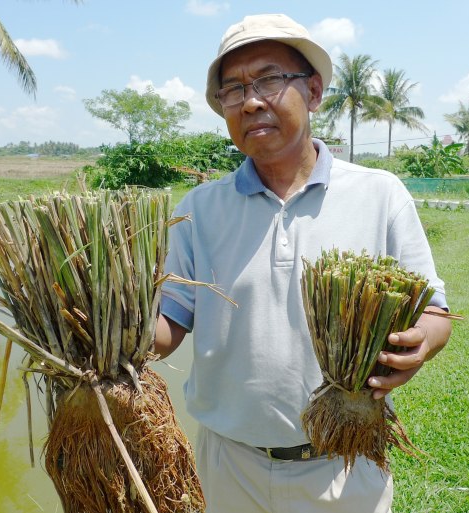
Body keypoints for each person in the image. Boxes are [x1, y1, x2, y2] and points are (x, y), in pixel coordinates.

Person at [153, 13, 452, 513]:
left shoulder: (380, 195)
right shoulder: (198, 210)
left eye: (269, 79)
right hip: (230, 464)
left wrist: (419, 343)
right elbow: (169, 326)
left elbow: (435, 311)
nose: (251, 101)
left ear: (313, 92)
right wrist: (107, 333)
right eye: (233, 89)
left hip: (344, 464)